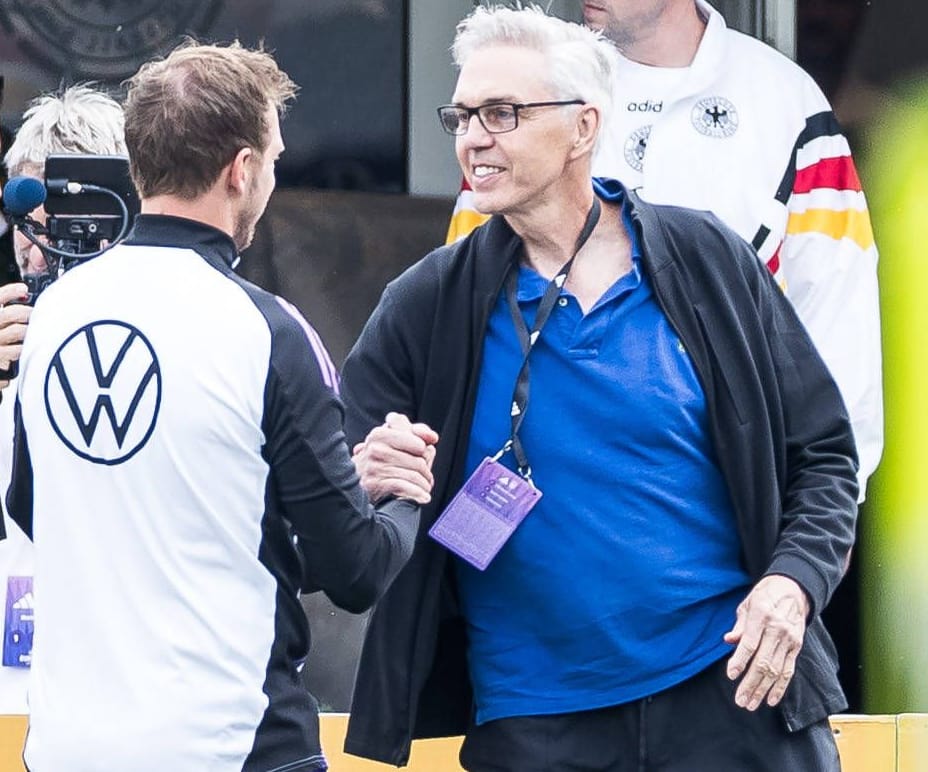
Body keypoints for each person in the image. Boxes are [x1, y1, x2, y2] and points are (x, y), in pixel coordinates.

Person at [342, 7, 858, 770]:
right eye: (463, 115)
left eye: (503, 113)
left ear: (584, 128)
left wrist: (793, 585)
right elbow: (327, 491)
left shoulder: (705, 259)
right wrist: (366, 475)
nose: (473, 137)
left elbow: (823, 456)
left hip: (729, 693)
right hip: (535, 721)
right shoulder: (429, 302)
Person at [4, 42, 438, 771]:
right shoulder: (266, 330)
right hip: (236, 745)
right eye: (272, 158)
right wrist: (399, 494)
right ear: (242, 171)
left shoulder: (54, 315)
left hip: (69, 748)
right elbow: (356, 570)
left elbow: (35, 509)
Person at [444, 0, 883, 496]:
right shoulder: (532, 85)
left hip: (721, 489)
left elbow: (836, 310)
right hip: (540, 476)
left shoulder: (785, 101)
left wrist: (836, 496)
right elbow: (465, 292)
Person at [0, 85, 127, 713]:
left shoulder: (169, 326)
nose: (33, 242)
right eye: (24, 221)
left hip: (121, 676)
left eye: (57, 218)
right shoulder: (9, 330)